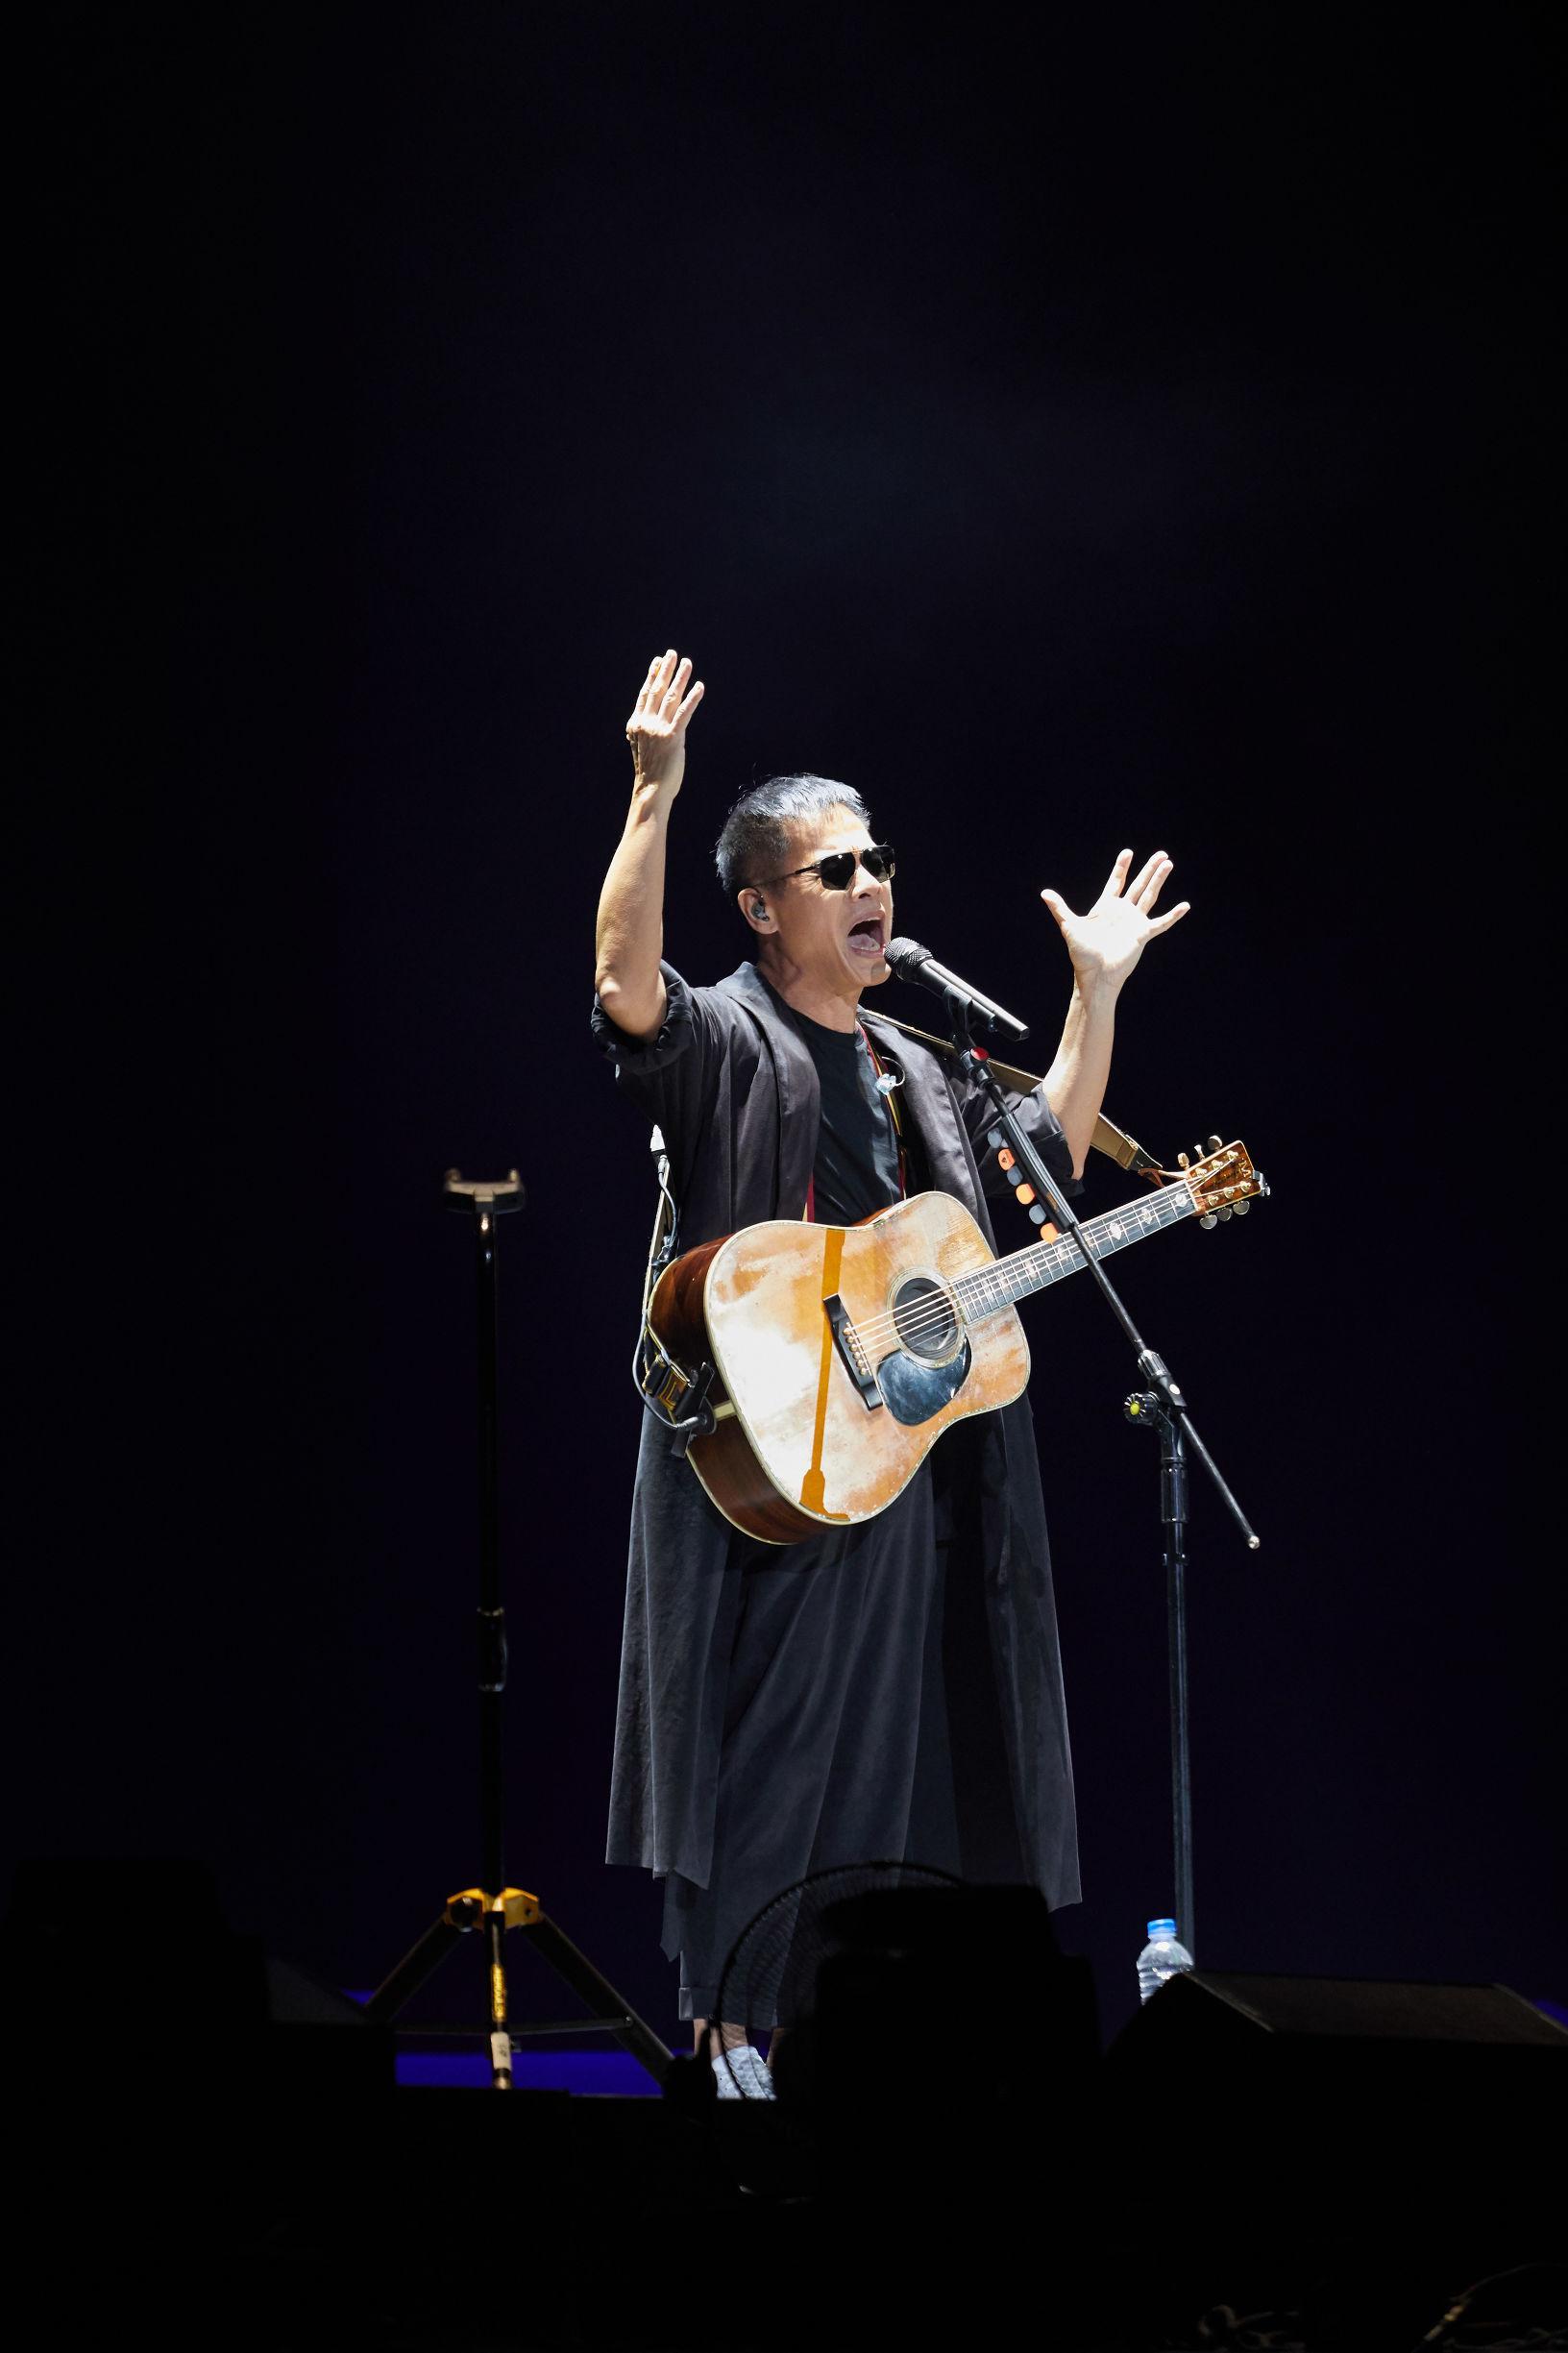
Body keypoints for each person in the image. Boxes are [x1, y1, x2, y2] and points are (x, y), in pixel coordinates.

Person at [593, 648, 1188, 2096]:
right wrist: (653, 796)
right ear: (763, 907)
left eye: (880, 861)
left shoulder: (918, 1063)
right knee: (780, 1753)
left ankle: (870, 2050)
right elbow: (623, 988)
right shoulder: (732, 1035)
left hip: (904, 1459)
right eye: (836, 869)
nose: (873, 886)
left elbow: (1042, 1164)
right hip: (779, 1459)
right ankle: (734, 2038)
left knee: (917, 1759)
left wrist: (1094, 992)